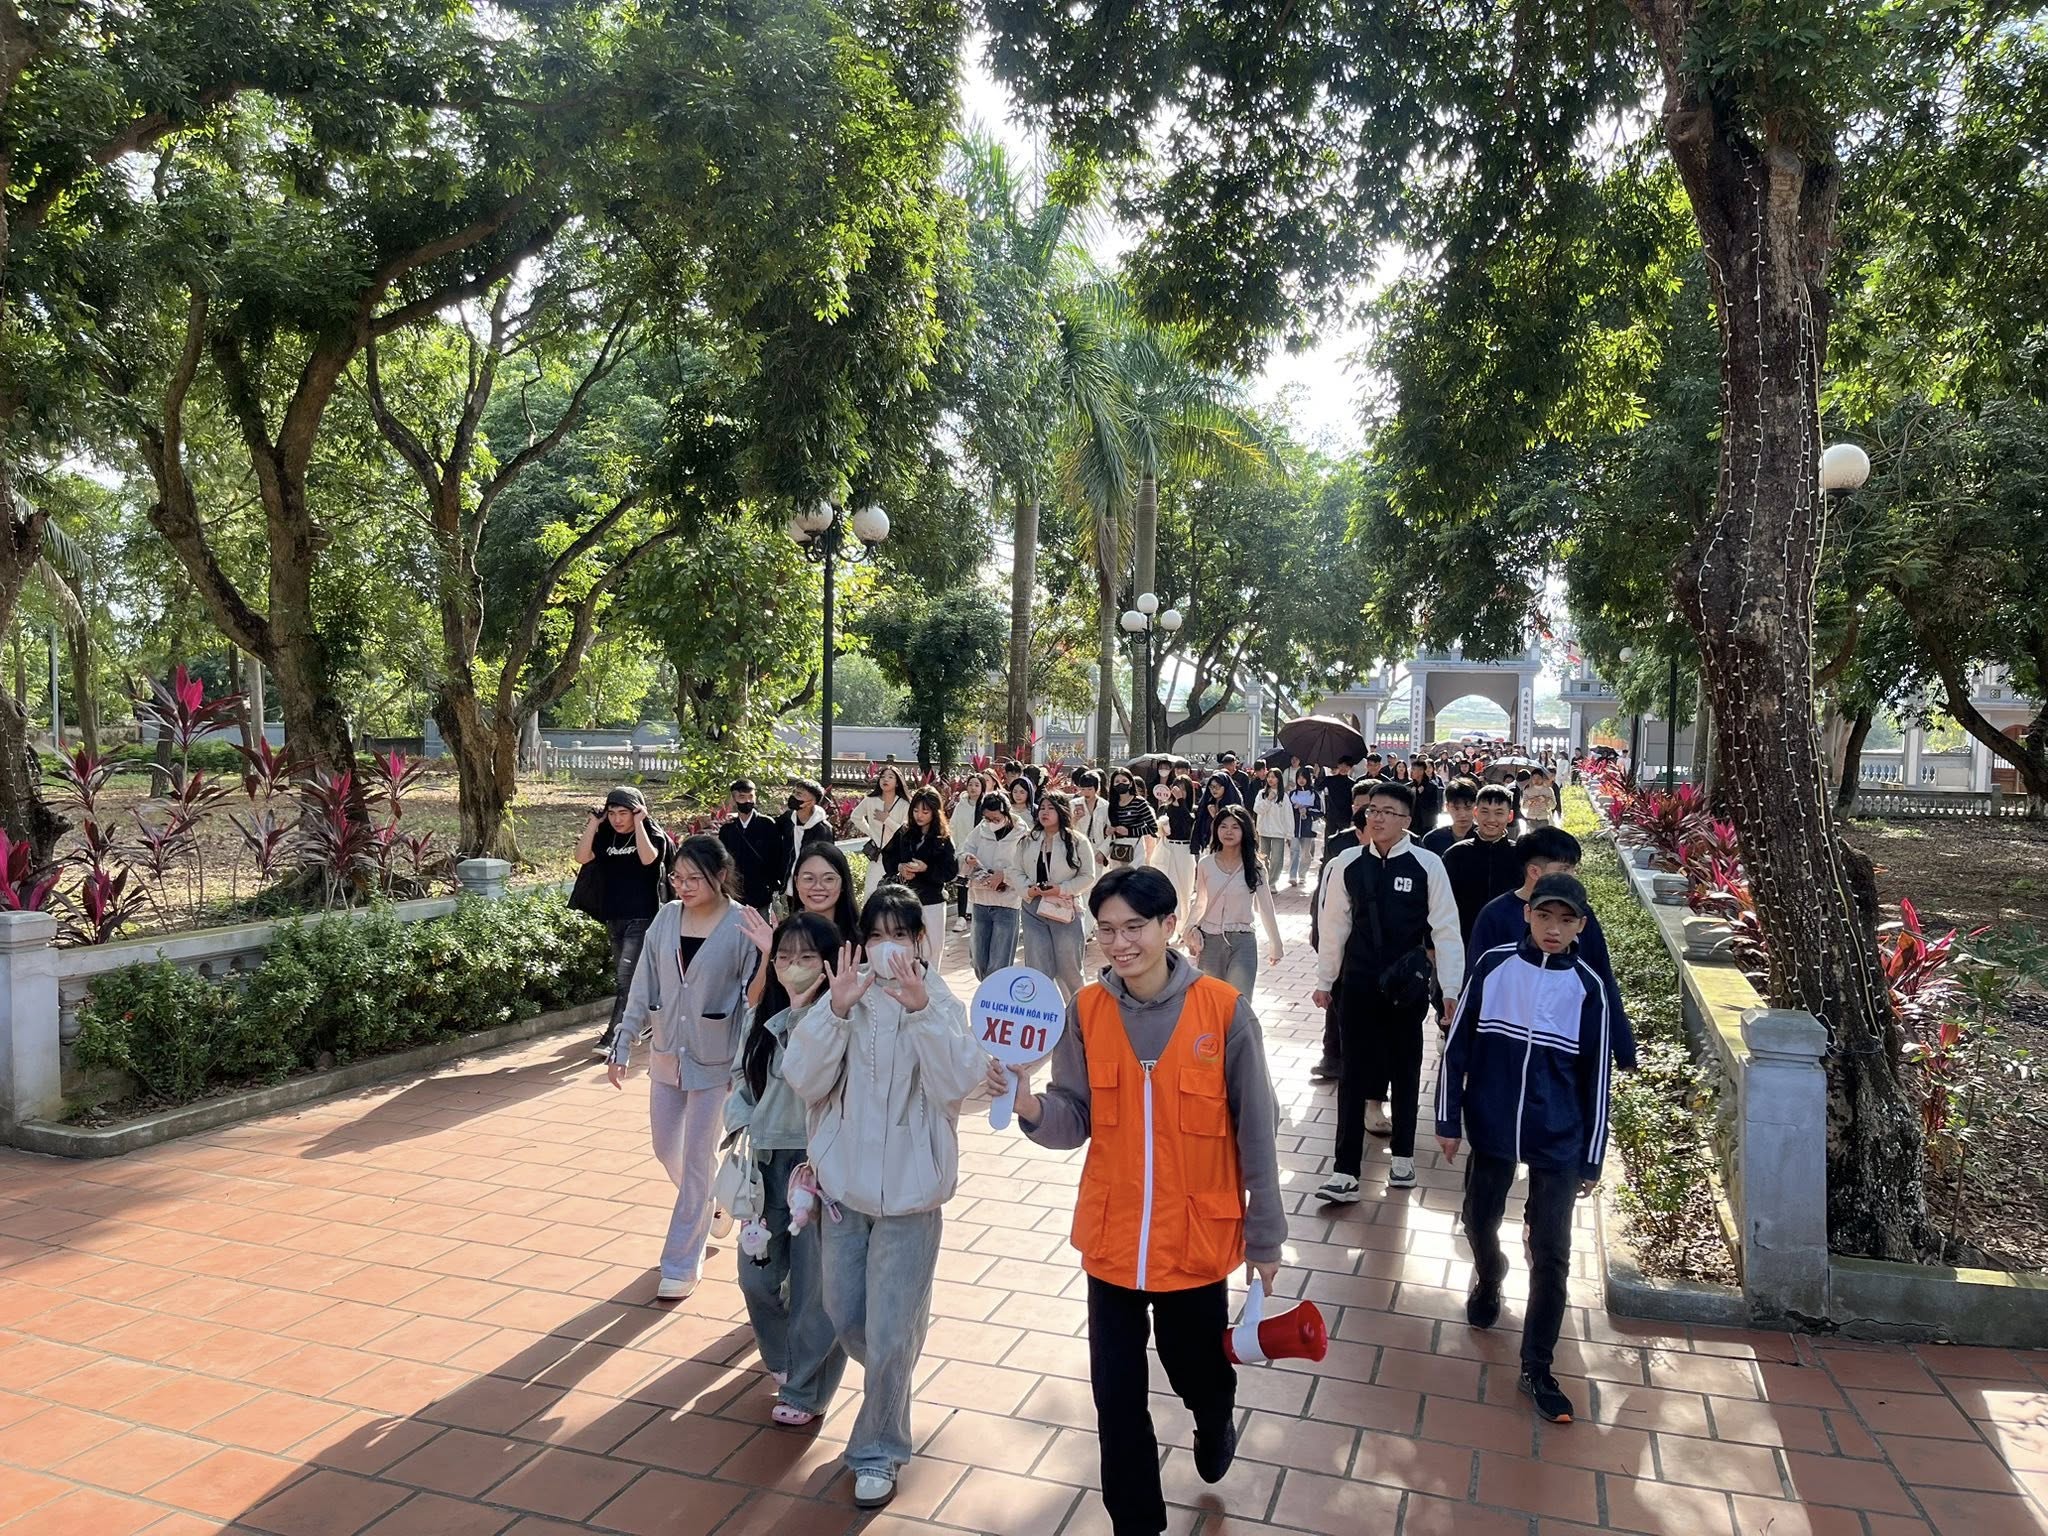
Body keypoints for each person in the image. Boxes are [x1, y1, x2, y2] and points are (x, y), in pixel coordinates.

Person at [994, 865, 1285, 1536]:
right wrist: (1031, 1106)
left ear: (1168, 926)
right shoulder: (1086, 1012)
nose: (1120, 944)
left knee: (1195, 1368)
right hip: (1113, 1238)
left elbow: (1258, 1132)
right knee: (1116, 1396)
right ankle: (1136, 1522)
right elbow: (1073, 1116)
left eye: (1134, 928)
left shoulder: (1224, 1011)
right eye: (1107, 931)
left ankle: (1214, 1413)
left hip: (1195, 1240)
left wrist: (1265, 1238)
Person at [782, 889, 987, 1510]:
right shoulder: (844, 997)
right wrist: (834, 1011)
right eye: (875, 935)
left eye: (900, 934)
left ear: (921, 941)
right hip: (844, 1191)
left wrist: (923, 1013)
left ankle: (878, 1449)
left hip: (912, 1197)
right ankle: (892, 1372)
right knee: (847, 1314)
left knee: (892, 1331)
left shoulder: (941, 1001)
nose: (887, 947)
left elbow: (959, 1085)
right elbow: (804, 1080)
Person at [1437, 873, 1615, 1425]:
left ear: (1581, 926)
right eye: (1544, 916)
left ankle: (1538, 1366)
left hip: (1559, 1137)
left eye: (1566, 920)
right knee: (1478, 1219)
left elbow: (1598, 1078)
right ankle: (1490, 1273)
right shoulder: (1493, 967)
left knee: (1553, 1252)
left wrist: (1591, 1155)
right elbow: (1457, 1045)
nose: (1553, 929)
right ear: (1527, 916)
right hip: (1492, 1127)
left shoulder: (1588, 987)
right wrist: (1447, 1118)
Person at [606, 836, 758, 1300]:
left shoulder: (742, 924)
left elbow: (751, 1000)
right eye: (678, 877)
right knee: (665, 1147)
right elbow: (642, 982)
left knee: (695, 1158)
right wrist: (623, 1040)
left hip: (717, 1061)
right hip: (667, 1056)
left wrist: (743, 1065)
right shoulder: (666, 918)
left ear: (720, 875)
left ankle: (680, 1262)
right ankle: (713, 1199)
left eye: (695, 878)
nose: (684, 886)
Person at [725, 912, 848, 1427]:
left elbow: (810, 1075)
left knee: (816, 1288)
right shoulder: (763, 1014)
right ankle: (783, 1359)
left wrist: (801, 1012)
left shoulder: (840, 1019)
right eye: (784, 957)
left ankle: (805, 1390)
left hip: (821, 1168)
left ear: (829, 962)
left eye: (807, 957)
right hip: (766, 1164)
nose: (793, 967)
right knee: (757, 1277)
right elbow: (741, 1076)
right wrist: (741, 1123)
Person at [1312, 783, 1463, 1197]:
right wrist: (1326, 981)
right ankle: (1345, 1170)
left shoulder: (1427, 865)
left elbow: (1446, 930)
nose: (1377, 818)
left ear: (1407, 821)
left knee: (1405, 1068)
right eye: (1372, 810)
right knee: (1353, 1073)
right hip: (1357, 983)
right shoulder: (1346, 863)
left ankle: (1403, 1157)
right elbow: (1333, 926)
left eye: (1388, 812)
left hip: (1405, 988)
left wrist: (1450, 988)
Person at [1467, 827, 1639, 1070]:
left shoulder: (1580, 915)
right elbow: (1475, 985)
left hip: (1562, 1044)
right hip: (1505, 1044)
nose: (1572, 877)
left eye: (1573, 869)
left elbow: (1602, 976)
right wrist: (1468, 1052)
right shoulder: (1495, 915)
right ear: (1534, 871)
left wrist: (1624, 1049)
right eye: (1564, 869)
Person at [576, 785, 671, 1055]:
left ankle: (614, 1038)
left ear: (636, 812)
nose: (617, 819)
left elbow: (649, 859)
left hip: (642, 916)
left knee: (625, 979)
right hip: (614, 916)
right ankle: (650, 1018)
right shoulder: (606, 835)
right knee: (629, 975)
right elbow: (582, 857)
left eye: (623, 813)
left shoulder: (652, 834)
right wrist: (593, 824)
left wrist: (640, 823)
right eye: (612, 813)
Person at [1306, 780, 1380, 1082]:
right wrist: (1317, 931)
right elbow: (1323, 894)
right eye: (1360, 806)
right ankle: (1332, 1055)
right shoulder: (1339, 843)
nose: (1367, 813)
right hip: (1340, 937)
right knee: (1335, 1000)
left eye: (1371, 807)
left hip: (1373, 944)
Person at [1186, 805, 1283, 998]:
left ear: (1245, 830)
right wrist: (1188, 930)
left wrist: (1276, 944)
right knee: (1211, 1001)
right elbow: (1200, 902)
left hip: (1243, 941)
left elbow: (1266, 907)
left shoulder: (1255, 867)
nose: (1228, 831)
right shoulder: (1206, 864)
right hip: (1210, 940)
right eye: (1223, 826)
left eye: (1235, 827)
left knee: (1239, 1001)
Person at [1019, 791, 1098, 1003]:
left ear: (1062, 811)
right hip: (1033, 908)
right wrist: (1028, 889)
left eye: (1051, 808)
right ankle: (1044, 1013)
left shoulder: (1077, 841)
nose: (1044, 812)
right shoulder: (1028, 840)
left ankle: (1077, 1012)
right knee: (1037, 968)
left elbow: (1088, 876)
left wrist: (1061, 889)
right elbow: (1014, 870)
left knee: (1069, 969)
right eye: (1042, 808)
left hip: (1065, 909)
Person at [1442, 784, 1523, 939]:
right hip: (1463, 937)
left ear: (1510, 816)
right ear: (1475, 813)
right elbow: (1440, 902)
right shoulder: (1455, 854)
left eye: (1499, 813)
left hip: (1510, 939)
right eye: (1485, 811)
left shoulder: (1520, 855)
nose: (1491, 819)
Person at [881, 786, 959, 945]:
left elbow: (950, 871)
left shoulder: (943, 839)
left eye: (925, 812)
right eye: (915, 811)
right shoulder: (904, 832)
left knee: (931, 949)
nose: (919, 815)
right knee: (905, 948)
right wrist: (900, 867)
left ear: (935, 812)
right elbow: (889, 856)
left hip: (932, 901)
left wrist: (926, 868)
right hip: (905, 900)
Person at [961, 791, 1025, 978]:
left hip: (1007, 903)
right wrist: (968, 859)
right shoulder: (980, 830)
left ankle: (995, 993)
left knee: (1000, 963)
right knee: (979, 961)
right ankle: (986, 991)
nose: (991, 823)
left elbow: (1027, 867)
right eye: (987, 818)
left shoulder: (1022, 834)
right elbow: (964, 851)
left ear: (1006, 813)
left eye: (996, 819)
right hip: (981, 900)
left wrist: (1004, 876)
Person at [720, 778, 788, 917]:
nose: (747, 801)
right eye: (742, 797)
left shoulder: (767, 824)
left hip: (762, 890)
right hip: (736, 890)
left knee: (762, 924)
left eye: (751, 796)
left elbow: (777, 857)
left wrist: (774, 883)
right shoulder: (728, 829)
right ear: (734, 799)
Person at [851, 766, 911, 897]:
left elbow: (905, 832)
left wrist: (886, 820)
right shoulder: (870, 800)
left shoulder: (904, 804)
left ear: (897, 782)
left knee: (895, 896)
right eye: (882, 777)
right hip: (877, 855)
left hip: (896, 856)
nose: (885, 780)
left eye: (890, 777)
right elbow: (855, 817)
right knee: (871, 893)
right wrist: (871, 833)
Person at [781, 779, 836, 897]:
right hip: (790, 886)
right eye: (794, 792)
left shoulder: (823, 830)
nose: (793, 796)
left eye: (799, 794)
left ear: (811, 802)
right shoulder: (788, 819)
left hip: (811, 887)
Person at [1151, 774, 1197, 917]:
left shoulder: (1192, 810)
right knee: (1166, 887)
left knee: (1184, 889)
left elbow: (1188, 825)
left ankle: (1183, 923)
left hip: (1184, 851)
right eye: (1177, 788)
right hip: (1166, 848)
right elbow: (1156, 831)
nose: (1179, 792)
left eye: (1183, 789)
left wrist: (1181, 801)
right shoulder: (1165, 808)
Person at [1420, 777, 1479, 857]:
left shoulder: (1485, 838)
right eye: (1456, 808)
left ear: (1476, 807)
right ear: (1447, 807)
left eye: (1468, 808)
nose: (1462, 814)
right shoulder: (1432, 839)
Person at [1253, 772, 1293, 884]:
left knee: (1276, 858)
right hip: (1264, 831)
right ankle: (1264, 880)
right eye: (1269, 777)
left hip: (1278, 832)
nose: (1270, 779)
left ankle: (1273, 882)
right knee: (1263, 858)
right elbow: (1257, 809)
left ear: (1278, 779)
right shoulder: (1262, 794)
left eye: (1273, 777)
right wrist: (1268, 800)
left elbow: (1288, 816)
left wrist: (1289, 834)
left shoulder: (1283, 796)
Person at [1189, 772, 1240, 857]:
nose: (1214, 790)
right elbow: (1199, 824)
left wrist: (1215, 816)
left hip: (1227, 847)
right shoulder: (1208, 803)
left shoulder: (1233, 805)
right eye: (1211, 787)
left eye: (1217, 787)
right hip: (1207, 846)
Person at [1287, 767, 1320, 888]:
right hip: (1294, 828)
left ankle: (1302, 875)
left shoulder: (1313, 794)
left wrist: (1307, 810)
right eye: (1299, 778)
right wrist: (1295, 808)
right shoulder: (1292, 794)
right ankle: (1292, 875)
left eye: (1303, 778)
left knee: (1306, 853)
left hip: (1308, 828)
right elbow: (1287, 810)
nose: (1301, 780)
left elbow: (1320, 811)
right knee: (1294, 851)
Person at [1408, 758, 1443, 837]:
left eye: (1414, 769)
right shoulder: (1409, 787)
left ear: (1421, 771)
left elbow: (1434, 807)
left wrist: (1421, 795)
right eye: (1412, 769)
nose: (1412, 771)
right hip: (1411, 823)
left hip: (1426, 823)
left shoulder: (1431, 787)